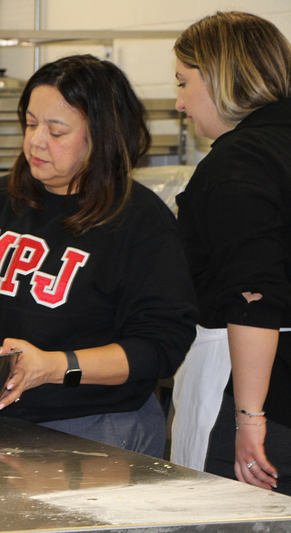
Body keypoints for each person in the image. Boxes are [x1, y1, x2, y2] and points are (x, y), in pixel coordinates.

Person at [0, 54, 197, 459]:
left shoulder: (139, 222)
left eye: (56, 131)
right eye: (30, 123)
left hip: (98, 431)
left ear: (103, 136)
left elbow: (160, 346)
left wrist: (53, 366)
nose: (36, 141)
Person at [170, 12, 291, 495]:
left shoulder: (239, 161)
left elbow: (255, 296)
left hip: (263, 397)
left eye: (183, 82)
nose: (179, 103)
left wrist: (249, 418)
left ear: (222, 76)